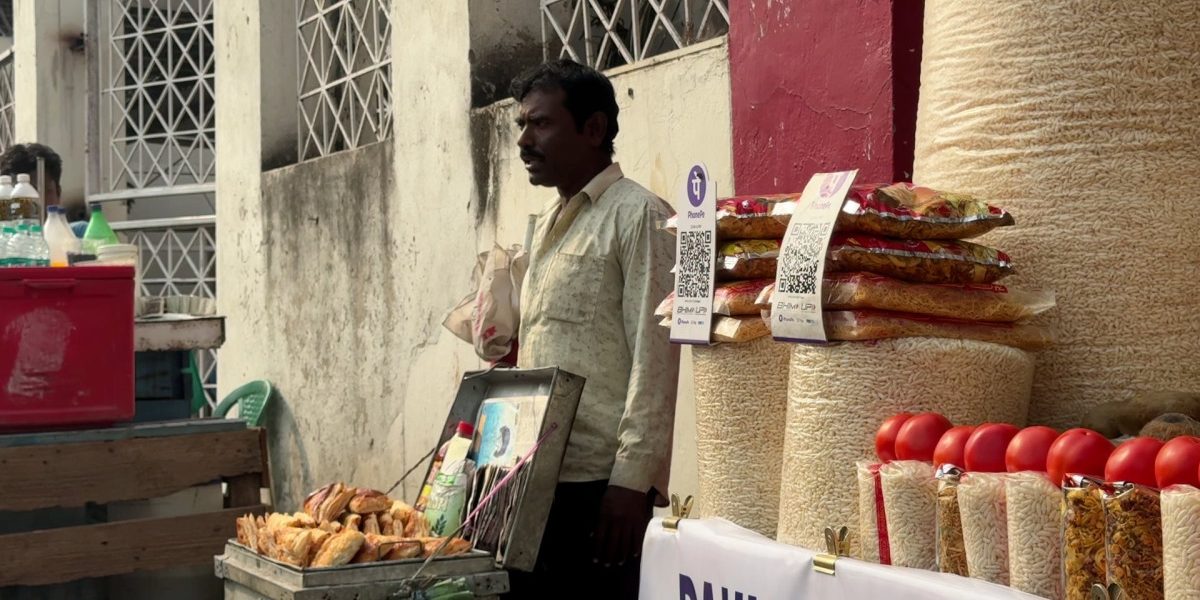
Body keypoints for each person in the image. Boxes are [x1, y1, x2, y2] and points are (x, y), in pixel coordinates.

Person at [508, 59, 680, 599]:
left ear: (594, 128)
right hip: (536, 482)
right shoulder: (548, 224)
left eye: (540, 124)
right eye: (521, 126)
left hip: (601, 492)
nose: (524, 141)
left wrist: (632, 482)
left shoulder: (641, 216)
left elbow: (656, 358)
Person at [0, 143, 87, 233]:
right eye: (21, 199)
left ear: (58, 193)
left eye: (42, 191)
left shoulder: (79, 235)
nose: (33, 204)